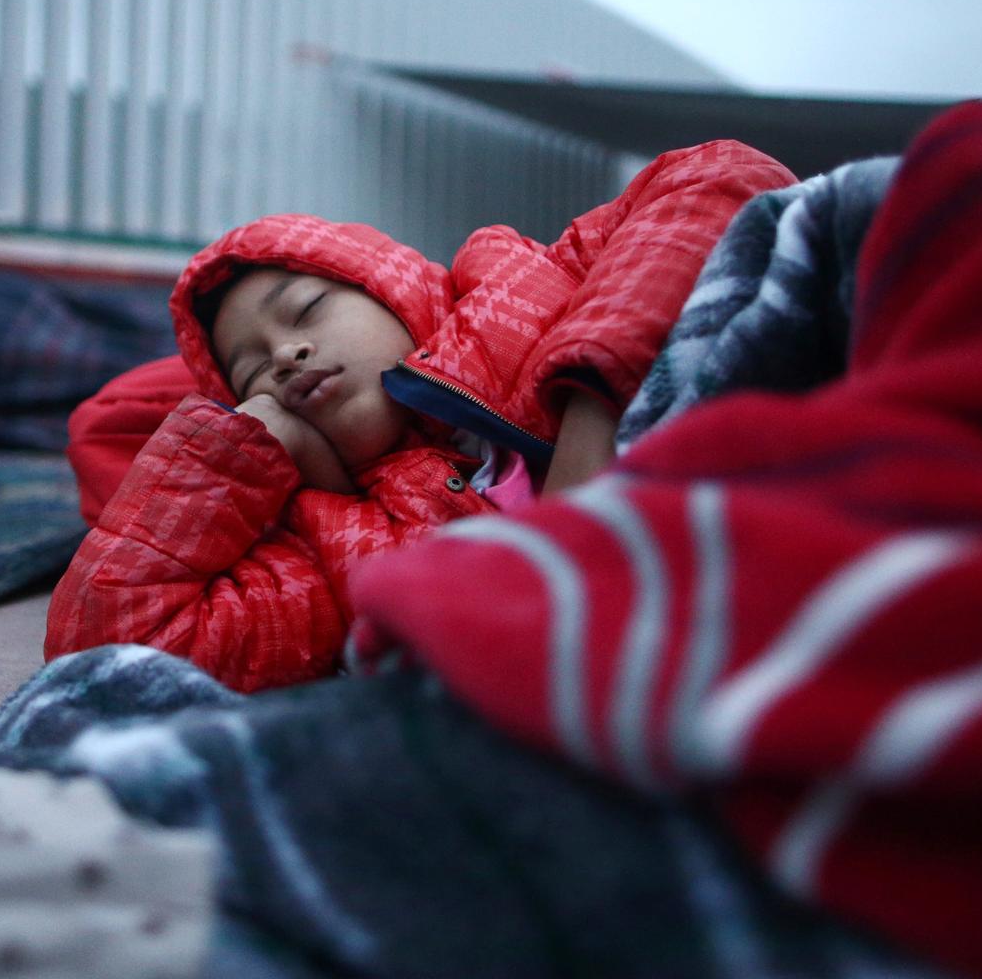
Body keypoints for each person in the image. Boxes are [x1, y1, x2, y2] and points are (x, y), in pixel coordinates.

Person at [45, 140, 797, 690]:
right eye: (252, 372)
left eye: (307, 308)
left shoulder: (522, 287)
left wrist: (591, 420)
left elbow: (730, 174)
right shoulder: (338, 544)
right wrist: (245, 445)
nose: (286, 356)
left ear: (392, 288)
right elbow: (106, 652)